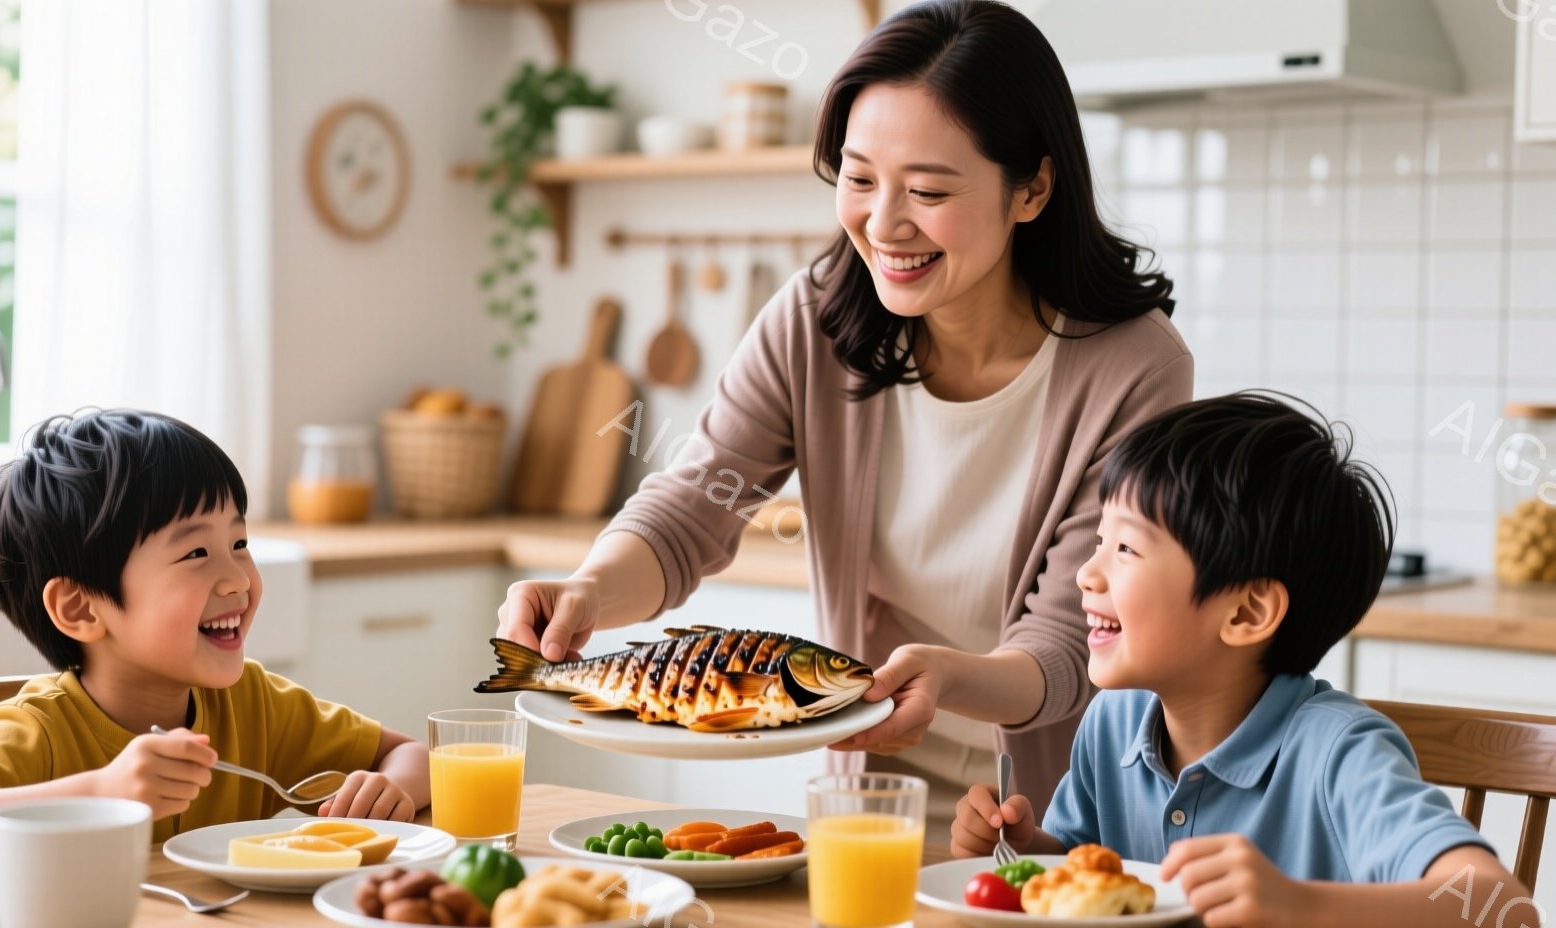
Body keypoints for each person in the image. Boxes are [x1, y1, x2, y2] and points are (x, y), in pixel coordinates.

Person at [495, 0, 1192, 842]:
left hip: (1055, 815)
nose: (883, 223)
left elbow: (1068, 641)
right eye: (859, 179)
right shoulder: (815, 321)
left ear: (1032, 188)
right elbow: (694, 506)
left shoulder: (1133, 366)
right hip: (868, 801)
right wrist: (589, 590)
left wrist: (943, 677)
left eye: (928, 191)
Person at [949, 393, 1538, 928]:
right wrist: (1026, 854)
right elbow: (1082, 873)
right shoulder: (1114, 723)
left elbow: (1507, 912)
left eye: (1125, 548)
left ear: (1246, 614)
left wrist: (1299, 905)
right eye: (1099, 541)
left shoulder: (1339, 752)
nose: (1087, 572)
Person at [0, 410, 429, 880]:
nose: (238, 578)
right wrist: (101, 793)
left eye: (239, 543)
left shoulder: (255, 704)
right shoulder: (41, 732)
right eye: (197, 553)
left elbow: (415, 755)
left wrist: (391, 790)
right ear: (81, 608)